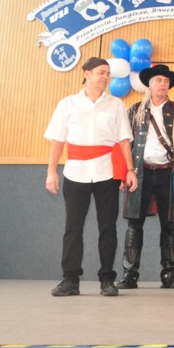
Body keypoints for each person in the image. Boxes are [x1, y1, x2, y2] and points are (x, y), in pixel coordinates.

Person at [45, 57, 138, 297]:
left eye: (108, 73)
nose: (106, 77)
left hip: (107, 173)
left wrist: (130, 170)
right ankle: (70, 279)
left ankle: (107, 279)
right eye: (101, 72)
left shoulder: (116, 105)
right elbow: (57, 140)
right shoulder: (67, 104)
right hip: (75, 172)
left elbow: (124, 140)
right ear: (86, 73)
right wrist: (51, 171)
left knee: (108, 227)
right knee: (73, 227)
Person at [117, 64, 174, 290]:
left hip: (169, 173)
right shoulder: (135, 110)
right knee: (134, 224)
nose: (162, 84)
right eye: (158, 80)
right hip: (140, 173)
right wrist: (125, 172)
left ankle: (170, 274)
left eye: (166, 80)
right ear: (150, 84)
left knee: (169, 224)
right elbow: (125, 143)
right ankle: (129, 274)